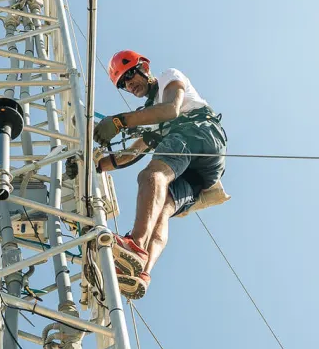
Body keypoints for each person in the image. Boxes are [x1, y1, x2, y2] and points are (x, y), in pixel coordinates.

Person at [91, 50, 230, 299]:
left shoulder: (169, 77)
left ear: (144, 67)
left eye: (130, 75)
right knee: (163, 207)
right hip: (201, 172)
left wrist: (120, 121)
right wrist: (96, 165)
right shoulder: (149, 116)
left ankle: (135, 244)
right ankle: (143, 272)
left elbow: (170, 110)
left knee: (151, 175)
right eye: (123, 84)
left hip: (198, 133)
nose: (130, 85)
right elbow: (131, 154)